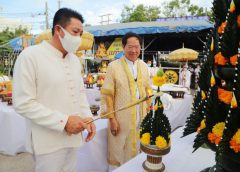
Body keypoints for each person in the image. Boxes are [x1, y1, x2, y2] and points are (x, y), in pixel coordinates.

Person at [12, 8, 96, 172]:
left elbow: (79, 93)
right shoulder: (30, 56)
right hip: (47, 141)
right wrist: (64, 121)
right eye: (75, 32)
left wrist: (87, 117)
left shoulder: (74, 60)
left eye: (81, 33)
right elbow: (23, 103)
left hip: (73, 137)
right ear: (59, 30)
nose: (78, 38)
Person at [101, 32, 151, 169]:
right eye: (130, 47)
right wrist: (112, 119)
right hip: (121, 120)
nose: (134, 50)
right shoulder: (113, 66)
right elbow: (107, 95)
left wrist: (150, 109)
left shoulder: (144, 66)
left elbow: (148, 90)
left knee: (137, 149)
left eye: (137, 47)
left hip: (141, 117)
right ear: (123, 47)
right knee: (119, 150)